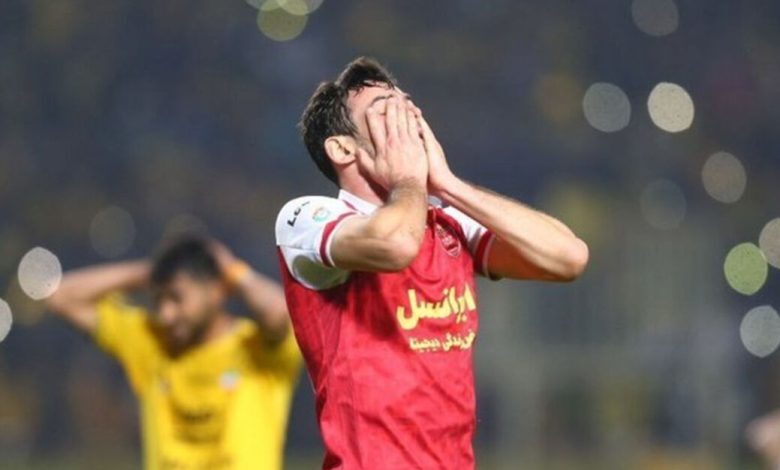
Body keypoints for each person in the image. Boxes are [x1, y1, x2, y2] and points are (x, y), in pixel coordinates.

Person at [274, 57, 590, 469]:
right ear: (342, 148)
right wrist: (409, 181)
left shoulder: (448, 222)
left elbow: (568, 257)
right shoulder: (310, 220)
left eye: (409, 105)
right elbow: (397, 245)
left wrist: (449, 186)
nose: (410, 117)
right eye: (386, 110)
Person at [46, 237, 301, 470]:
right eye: (158, 300)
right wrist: (150, 271)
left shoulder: (257, 350)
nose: (166, 314)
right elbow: (62, 296)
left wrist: (234, 271)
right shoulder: (151, 344)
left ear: (216, 290)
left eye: (176, 298)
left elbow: (278, 313)